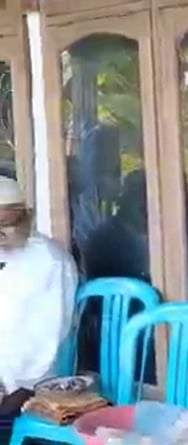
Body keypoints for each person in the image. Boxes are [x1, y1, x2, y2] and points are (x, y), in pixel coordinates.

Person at [0, 176, 78, 441]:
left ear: (27, 216)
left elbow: (46, 338)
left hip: (28, 379)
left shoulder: (48, 261)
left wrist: (11, 384)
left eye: (5, 223)